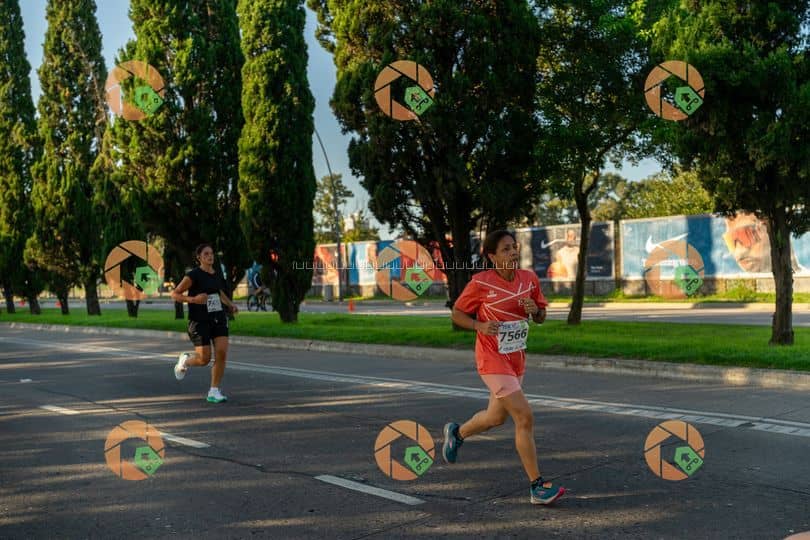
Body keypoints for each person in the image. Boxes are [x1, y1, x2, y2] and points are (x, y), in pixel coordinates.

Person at [443, 230, 565, 505]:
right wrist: (479, 325)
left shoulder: (528, 279)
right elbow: (457, 313)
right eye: (505, 249)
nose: (513, 252)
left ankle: (457, 433)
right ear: (492, 256)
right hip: (491, 358)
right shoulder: (481, 282)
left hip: (516, 358)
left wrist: (535, 310)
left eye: (514, 247)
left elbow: (541, 316)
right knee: (524, 416)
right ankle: (537, 487)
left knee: (495, 418)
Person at [171, 243, 238, 403]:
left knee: (221, 353)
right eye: (206, 254)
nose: (210, 256)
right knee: (204, 359)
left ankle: (213, 391)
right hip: (199, 321)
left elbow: (218, 292)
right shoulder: (193, 275)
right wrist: (193, 299)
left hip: (218, 318)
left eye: (211, 253)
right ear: (199, 257)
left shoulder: (216, 274)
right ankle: (185, 360)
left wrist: (230, 304)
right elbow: (175, 294)